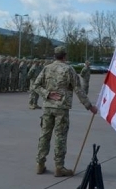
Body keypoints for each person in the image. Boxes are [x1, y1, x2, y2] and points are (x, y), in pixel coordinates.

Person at [32, 46, 98, 177]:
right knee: (60, 137)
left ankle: (40, 164)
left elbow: (36, 85)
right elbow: (78, 89)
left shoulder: (47, 68)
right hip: (61, 108)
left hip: (48, 107)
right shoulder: (69, 69)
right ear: (65, 56)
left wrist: (47, 94)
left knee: (44, 135)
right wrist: (89, 106)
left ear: (55, 56)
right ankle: (59, 167)